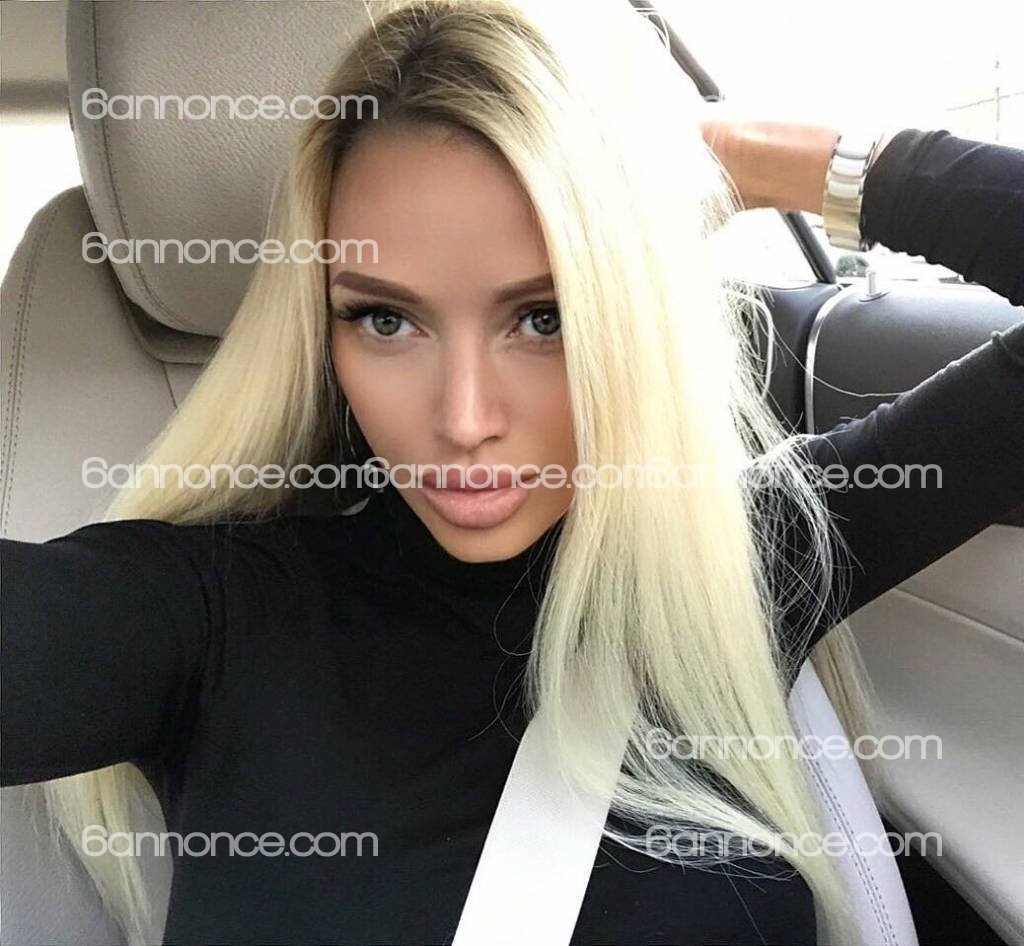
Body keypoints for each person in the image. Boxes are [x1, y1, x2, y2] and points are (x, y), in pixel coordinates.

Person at [2, 0, 1022, 943]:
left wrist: (745, 157)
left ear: (623, 310)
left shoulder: (736, 560)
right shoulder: (202, 613)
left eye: (544, 317)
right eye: (385, 319)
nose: (464, 419)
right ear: (321, 328)